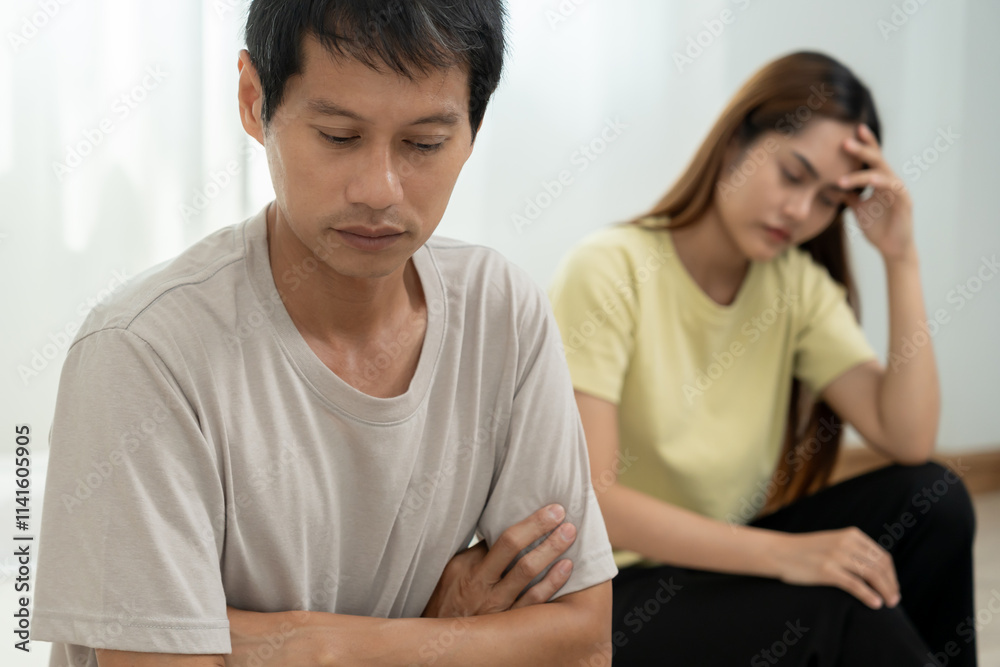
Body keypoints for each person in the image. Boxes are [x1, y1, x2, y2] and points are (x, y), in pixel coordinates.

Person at [32, 2, 618, 665]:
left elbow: (582, 641)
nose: (379, 190)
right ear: (254, 100)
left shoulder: (500, 310)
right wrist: (441, 632)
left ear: (473, 129)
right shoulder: (143, 350)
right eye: (339, 136)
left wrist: (313, 646)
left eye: (424, 143)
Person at [548, 51, 976, 666]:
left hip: (719, 564)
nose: (801, 212)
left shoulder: (794, 286)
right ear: (734, 145)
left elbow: (908, 439)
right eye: (793, 174)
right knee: (837, 606)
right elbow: (596, 502)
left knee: (935, 499)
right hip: (613, 593)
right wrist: (788, 556)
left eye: (829, 199)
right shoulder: (609, 268)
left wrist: (900, 257)